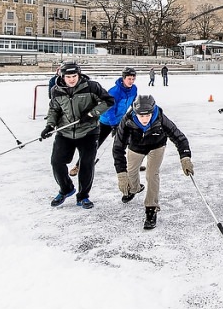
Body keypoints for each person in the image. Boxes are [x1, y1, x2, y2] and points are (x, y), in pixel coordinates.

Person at [111, 94, 193, 230]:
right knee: (130, 174)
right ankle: (134, 189)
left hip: (157, 146)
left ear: (152, 111)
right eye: (141, 116)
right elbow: (118, 147)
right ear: (135, 112)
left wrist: (185, 157)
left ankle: (151, 208)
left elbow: (179, 137)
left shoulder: (160, 117)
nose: (145, 119)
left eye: (147, 115)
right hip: (136, 147)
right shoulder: (127, 120)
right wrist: (121, 174)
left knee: (152, 174)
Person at [40, 62, 115, 209]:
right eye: (68, 76)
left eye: (74, 76)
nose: (72, 79)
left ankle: (83, 196)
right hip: (65, 132)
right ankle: (66, 188)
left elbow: (108, 101)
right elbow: (54, 109)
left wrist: (92, 114)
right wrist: (49, 125)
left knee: (86, 164)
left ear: (79, 75)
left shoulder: (92, 87)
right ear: (62, 76)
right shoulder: (56, 90)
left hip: (88, 131)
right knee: (57, 162)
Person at [71, 66, 137, 177]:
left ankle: (134, 163)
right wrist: (113, 125)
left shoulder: (134, 89)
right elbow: (109, 109)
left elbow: (133, 102)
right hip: (106, 121)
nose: (131, 81)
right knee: (95, 144)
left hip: (121, 120)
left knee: (130, 141)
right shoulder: (115, 91)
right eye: (129, 78)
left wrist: (133, 112)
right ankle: (78, 165)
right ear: (123, 78)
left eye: (133, 79)